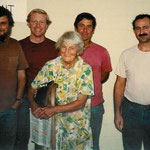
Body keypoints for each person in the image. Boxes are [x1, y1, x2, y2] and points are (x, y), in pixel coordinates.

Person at [28, 31, 94, 150]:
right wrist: (34, 106)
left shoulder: (85, 69)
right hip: (52, 126)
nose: (67, 51)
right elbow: (32, 89)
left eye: (72, 48)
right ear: (59, 47)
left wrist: (54, 109)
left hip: (76, 128)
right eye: (64, 47)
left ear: (78, 50)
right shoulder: (50, 66)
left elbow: (81, 102)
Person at [15, 9, 58, 150]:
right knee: (20, 140)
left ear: (47, 25)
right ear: (28, 24)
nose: (38, 25)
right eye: (34, 21)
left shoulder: (56, 47)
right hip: (21, 100)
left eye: (42, 22)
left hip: (44, 100)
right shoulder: (18, 46)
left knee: (42, 143)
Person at [74, 12, 112, 150]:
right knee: (72, 144)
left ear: (93, 30)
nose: (85, 30)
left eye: (89, 26)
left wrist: (90, 85)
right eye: (81, 26)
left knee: (93, 144)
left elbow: (105, 74)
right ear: (75, 28)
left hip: (94, 107)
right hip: (71, 107)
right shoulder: (66, 50)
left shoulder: (102, 51)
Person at [114, 14, 150, 150]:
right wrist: (117, 112)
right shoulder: (127, 54)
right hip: (131, 111)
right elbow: (119, 85)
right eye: (138, 28)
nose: (142, 32)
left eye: (145, 27)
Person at [0, 6, 28, 150]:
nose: (0, 27)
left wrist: (17, 101)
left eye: (3, 23)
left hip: (9, 111)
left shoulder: (15, 45)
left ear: (9, 25)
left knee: (8, 147)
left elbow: (21, 75)